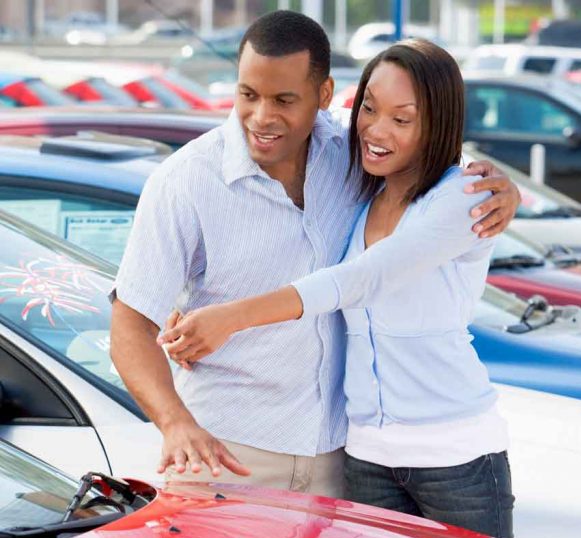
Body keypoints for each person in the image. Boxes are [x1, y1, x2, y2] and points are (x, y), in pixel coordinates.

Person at [111, 11, 519, 499]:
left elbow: (419, 147)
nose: (262, 117)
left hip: (341, 462)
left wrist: (501, 188)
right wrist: (175, 422)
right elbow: (131, 325)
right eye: (248, 95)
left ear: (324, 96)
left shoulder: (352, 152)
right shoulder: (184, 182)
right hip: (226, 457)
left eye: (284, 100)